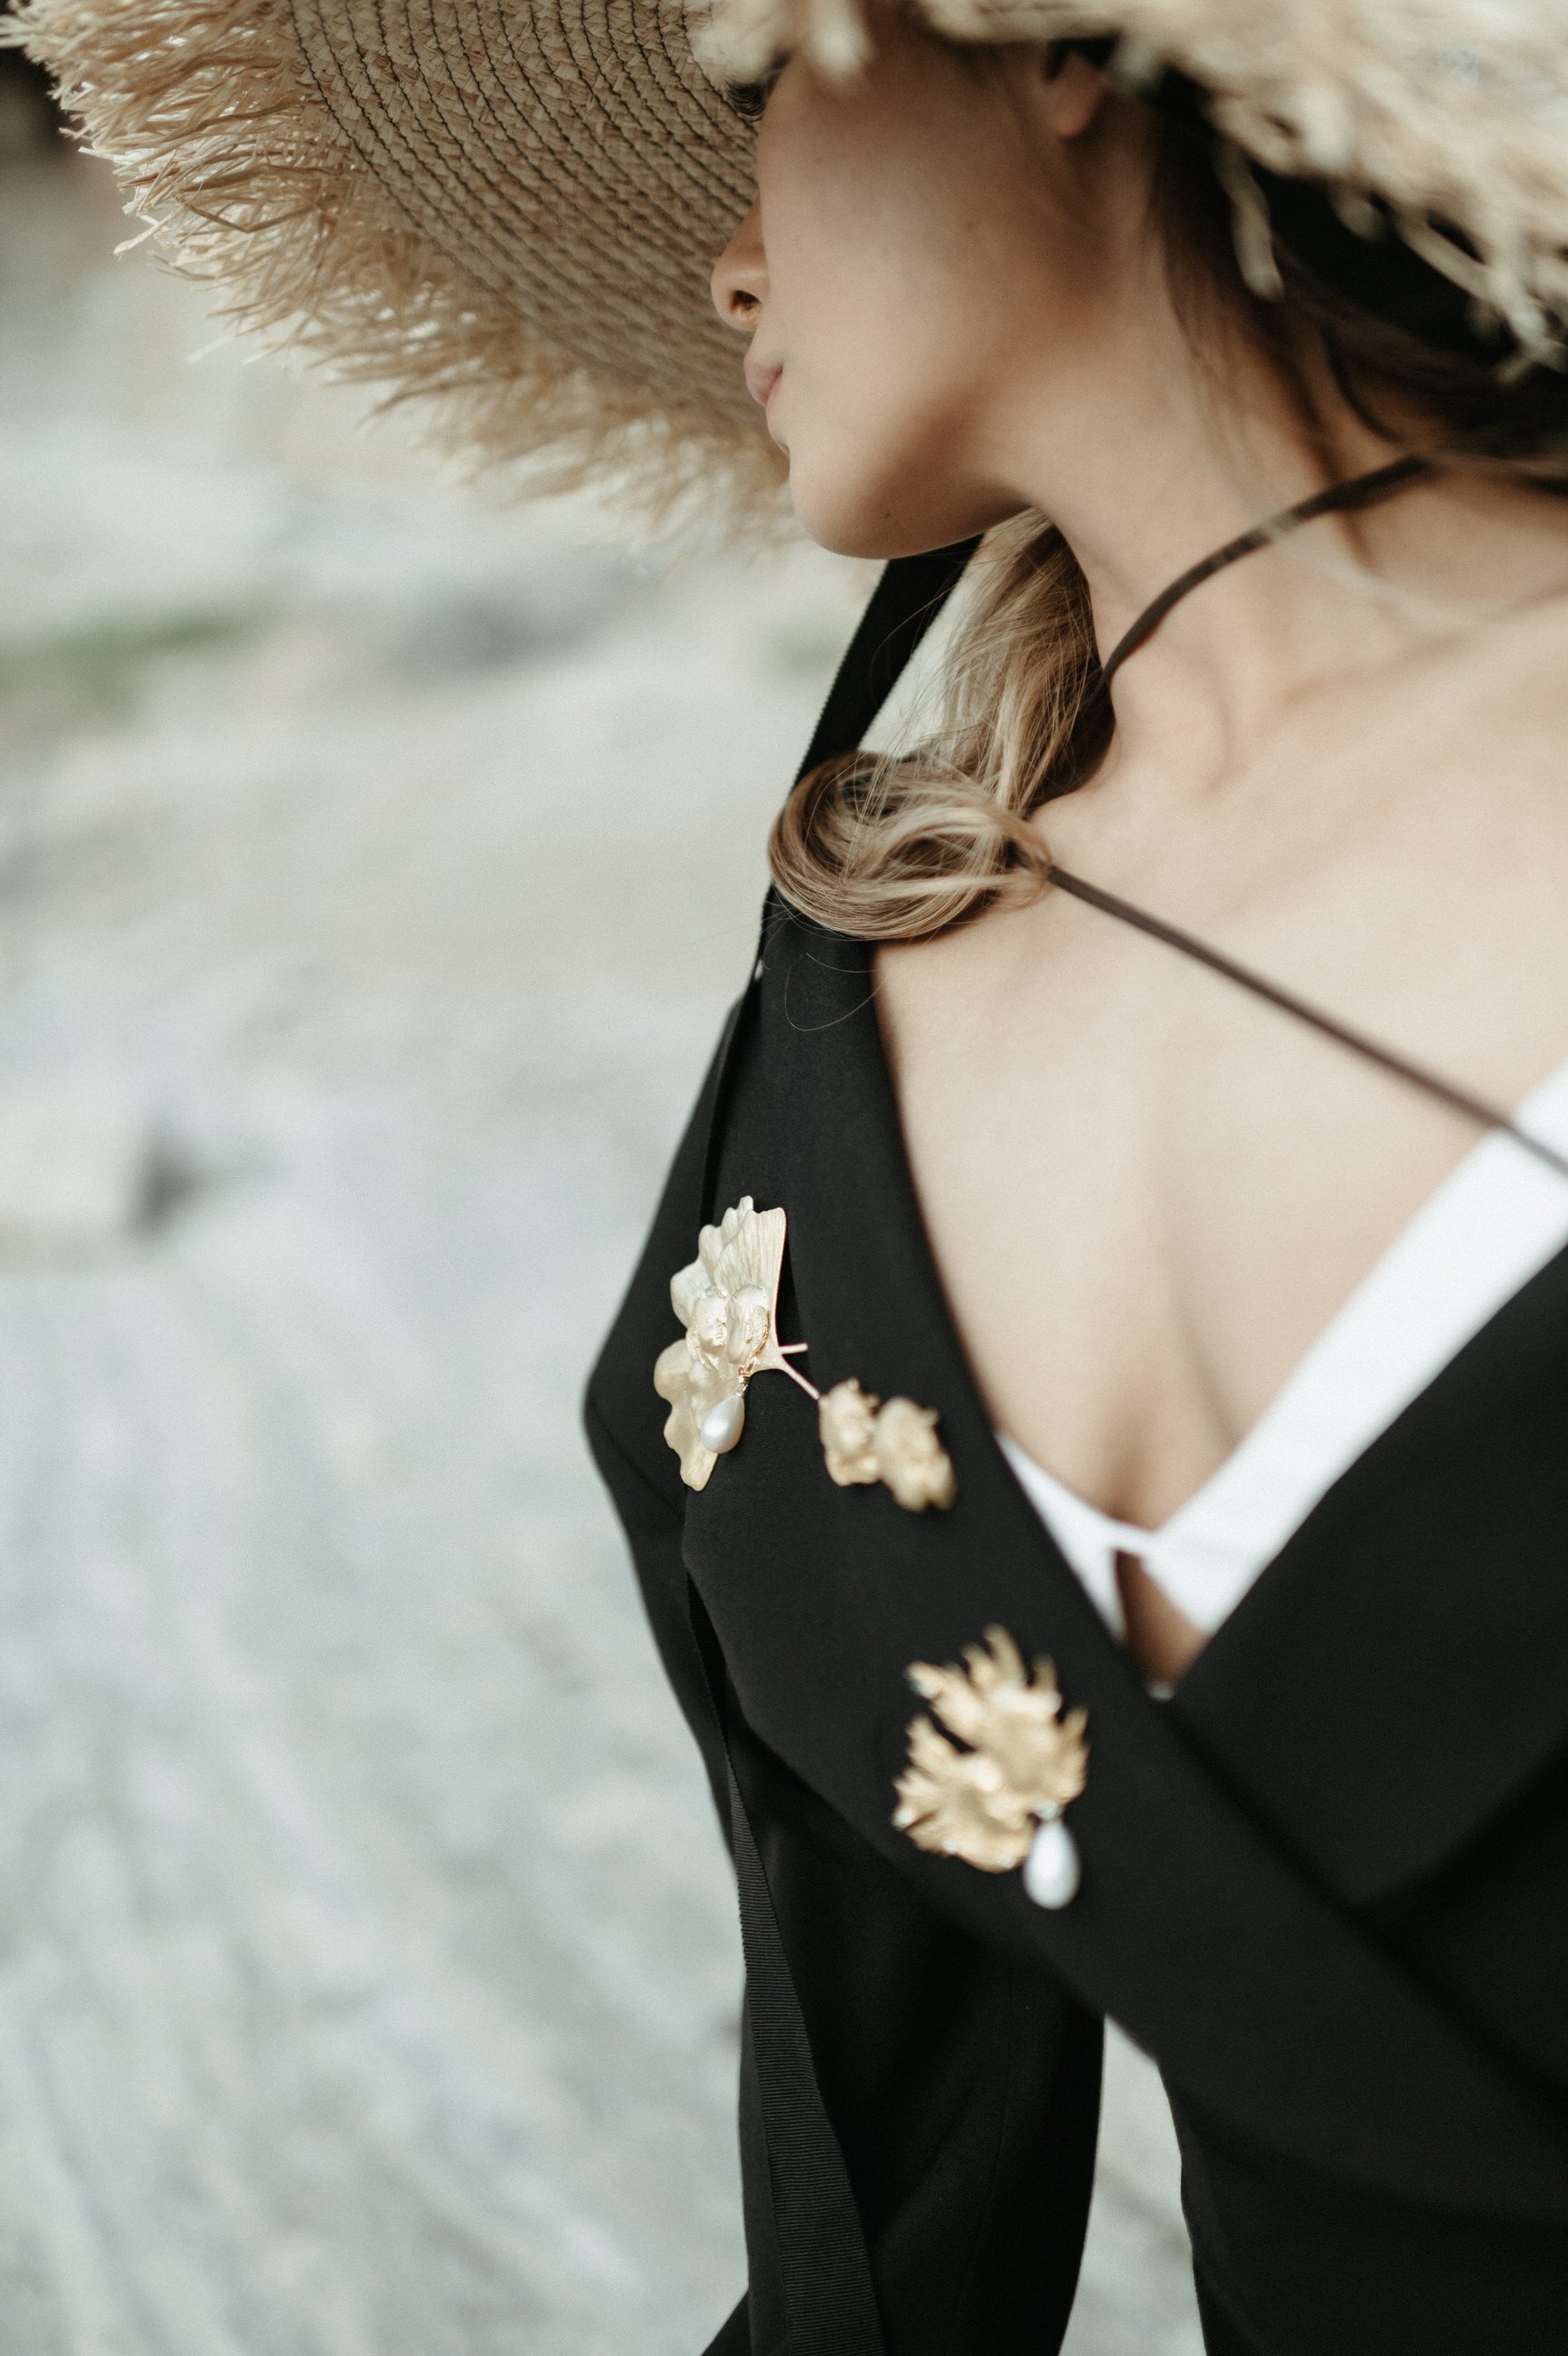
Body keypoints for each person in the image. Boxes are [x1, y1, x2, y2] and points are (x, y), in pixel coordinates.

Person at [21, 0, 1568, 2345]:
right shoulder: (867, 1000)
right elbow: (879, 2214)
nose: (727, 264)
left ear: (1057, 45)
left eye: (757, 101)